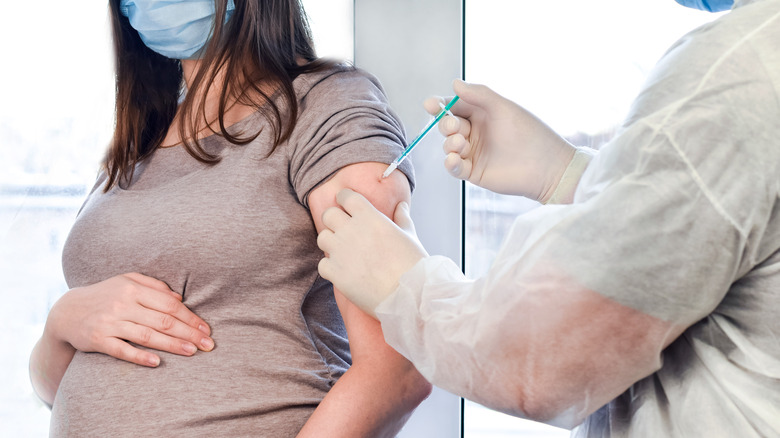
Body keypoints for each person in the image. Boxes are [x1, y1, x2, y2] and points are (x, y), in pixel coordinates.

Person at [316, 0, 780, 435]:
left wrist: (407, 291)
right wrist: (567, 174)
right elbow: (709, 233)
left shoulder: (741, 71)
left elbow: (540, 361)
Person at [28, 0, 432, 436]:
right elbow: (53, 391)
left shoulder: (328, 107)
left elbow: (401, 367)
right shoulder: (141, 139)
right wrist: (62, 323)